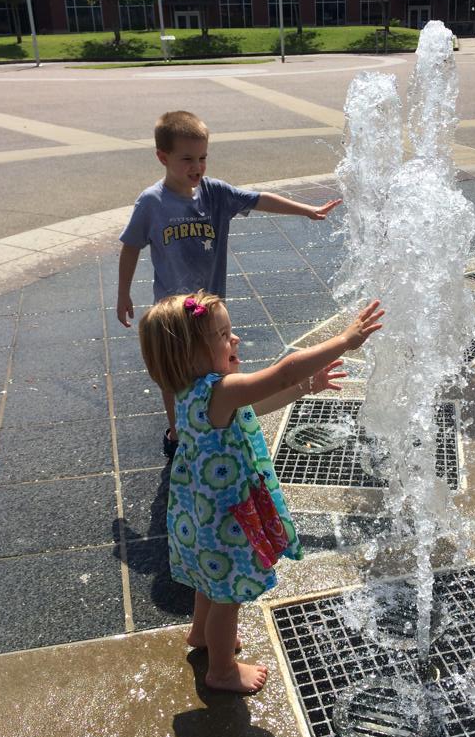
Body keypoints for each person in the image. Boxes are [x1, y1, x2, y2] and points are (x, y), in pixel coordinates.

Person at [139, 291, 383, 694]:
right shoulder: (219, 390)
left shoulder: (188, 392)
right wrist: (345, 340)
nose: (235, 340)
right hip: (225, 519)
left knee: (209, 583)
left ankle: (200, 635)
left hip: (198, 513)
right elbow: (282, 372)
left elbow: (259, 404)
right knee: (228, 597)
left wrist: (307, 387)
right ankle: (221, 670)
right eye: (222, 334)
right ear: (191, 353)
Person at [117, 110, 342, 458]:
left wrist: (306, 210)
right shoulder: (152, 203)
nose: (197, 166)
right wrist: (122, 293)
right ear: (163, 157)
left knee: (216, 367)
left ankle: (221, 423)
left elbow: (258, 198)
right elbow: (131, 245)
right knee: (173, 371)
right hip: (173, 315)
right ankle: (179, 432)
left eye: (203, 157)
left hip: (209, 311)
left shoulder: (215, 193)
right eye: (187, 159)